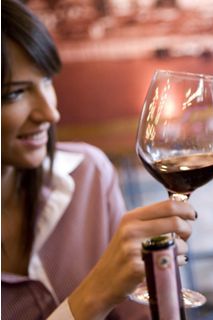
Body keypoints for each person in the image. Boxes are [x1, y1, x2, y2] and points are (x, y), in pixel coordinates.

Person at [1, 1, 197, 319]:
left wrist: (162, 289)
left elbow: (142, 313)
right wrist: (92, 296)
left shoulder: (89, 172)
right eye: (14, 93)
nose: (51, 113)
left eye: (48, 81)